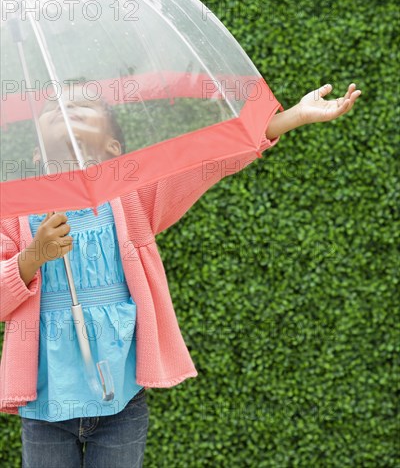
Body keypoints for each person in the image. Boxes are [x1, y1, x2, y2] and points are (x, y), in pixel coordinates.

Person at [0, 82, 361, 468]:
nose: (66, 106)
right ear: (37, 154)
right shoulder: (14, 215)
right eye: (54, 105)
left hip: (121, 405)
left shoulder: (133, 196)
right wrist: (33, 255)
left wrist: (293, 117)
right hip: (46, 407)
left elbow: (207, 158)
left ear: (113, 149)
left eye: (84, 105)